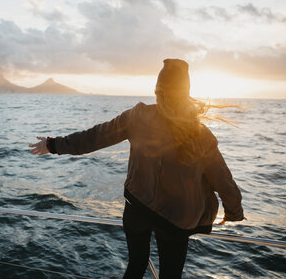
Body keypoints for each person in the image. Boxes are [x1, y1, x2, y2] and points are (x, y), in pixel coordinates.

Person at [29, 59, 244, 278]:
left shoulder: (137, 117)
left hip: (137, 209)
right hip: (175, 220)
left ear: (157, 91)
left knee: (136, 265)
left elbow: (94, 137)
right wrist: (234, 212)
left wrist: (52, 144)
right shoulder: (201, 134)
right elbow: (223, 180)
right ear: (185, 93)